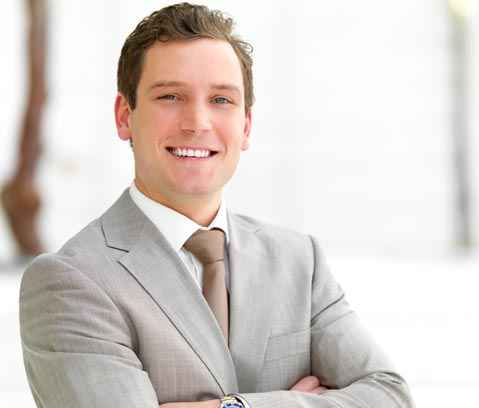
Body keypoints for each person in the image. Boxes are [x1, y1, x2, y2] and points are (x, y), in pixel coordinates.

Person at [19, 3, 414, 408]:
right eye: (170, 96)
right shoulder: (70, 281)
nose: (197, 122)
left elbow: (389, 397)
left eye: (221, 99)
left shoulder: (299, 261)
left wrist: (238, 406)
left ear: (246, 125)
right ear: (124, 116)